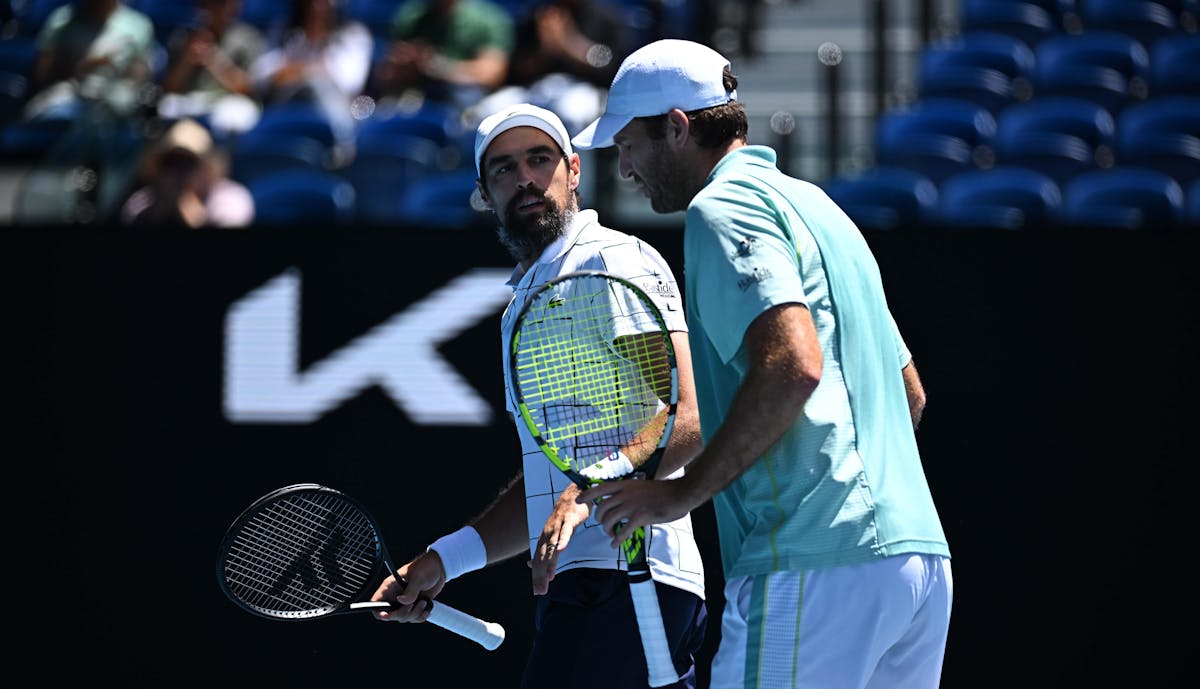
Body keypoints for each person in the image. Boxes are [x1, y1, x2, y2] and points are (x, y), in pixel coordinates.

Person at [571, 39, 953, 689]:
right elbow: (908, 394)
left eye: (628, 143)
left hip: (809, 563)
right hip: (917, 565)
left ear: (676, 126)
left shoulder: (721, 210)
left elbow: (792, 366)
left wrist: (678, 494)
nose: (625, 166)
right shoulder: (825, 211)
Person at [369, 103, 708, 689]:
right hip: (581, 588)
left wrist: (587, 492)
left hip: (636, 578)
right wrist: (442, 559)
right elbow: (551, 479)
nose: (524, 178)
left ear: (574, 170)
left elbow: (690, 419)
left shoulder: (611, 258)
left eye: (539, 159)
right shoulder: (520, 308)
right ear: (484, 192)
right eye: (503, 169)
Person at [471, 0, 632, 135]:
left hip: (585, 88)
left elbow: (610, 69)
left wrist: (567, 42)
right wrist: (545, 50)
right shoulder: (540, 14)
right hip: (537, 88)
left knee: (571, 113)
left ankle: (575, 170)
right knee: (490, 110)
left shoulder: (605, 16)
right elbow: (516, 72)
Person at [250, 0, 373, 163]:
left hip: (335, 107)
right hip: (286, 102)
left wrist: (297, 69)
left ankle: (343, 148)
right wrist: (311, 69)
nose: (318, 5)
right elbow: (260, 76)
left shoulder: (353, 34)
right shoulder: (285, 31)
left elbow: (348, 83)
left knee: (318, 85)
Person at [372, 0, 514, 112]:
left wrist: (437, 66)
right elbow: (386, 76)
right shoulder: (412, 16)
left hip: (466, 100)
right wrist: (405, 62)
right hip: (416, 93)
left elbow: (492, 75)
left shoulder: (487, 17)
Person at [157, 0, 267, 137]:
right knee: (167, 107)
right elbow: (170, 87)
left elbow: (247, 88)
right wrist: (187, 60)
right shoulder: (184, 36)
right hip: (192, 99)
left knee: (232, 117)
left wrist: (213, 60)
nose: (218, 9)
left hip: (229, 101)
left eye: (224, 3)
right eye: (212, 3)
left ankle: (228, 157)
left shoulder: (247, 37)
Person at [119, 117, 254, 227]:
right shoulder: (140, 206)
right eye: (171, 162)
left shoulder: (232, 202)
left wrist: (195, 219)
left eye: (187, 163)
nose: (178, 172)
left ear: (206, 170)